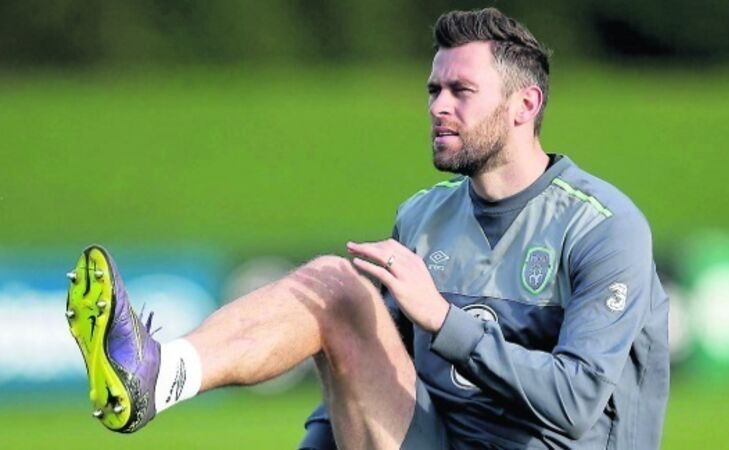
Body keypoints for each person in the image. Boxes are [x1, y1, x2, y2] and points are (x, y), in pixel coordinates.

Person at [65, 7, 669, 449]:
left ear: (525, 105)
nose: (438, 106)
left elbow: (575, 402)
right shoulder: (423, 217)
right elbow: (366, 368)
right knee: (335, 288)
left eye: (461, 91)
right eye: (434, 89)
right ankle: (160, 374)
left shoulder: (603, 228)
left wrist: (444, 320)